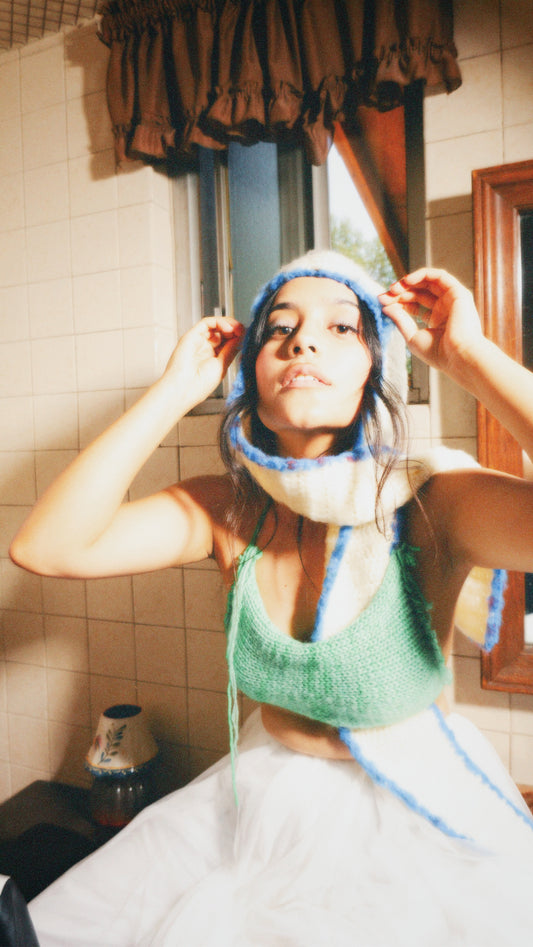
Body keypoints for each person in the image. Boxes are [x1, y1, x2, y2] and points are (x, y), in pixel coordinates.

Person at [9, 250, 533, 946]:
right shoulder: (226, 510)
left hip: (412, 813)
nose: (302, 341)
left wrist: (469, 358)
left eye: (340, 327)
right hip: (260, 800)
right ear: (250, 375)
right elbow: (47, 548)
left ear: (374, 369)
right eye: (278, 329)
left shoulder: (433, 503)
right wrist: (174, 389)